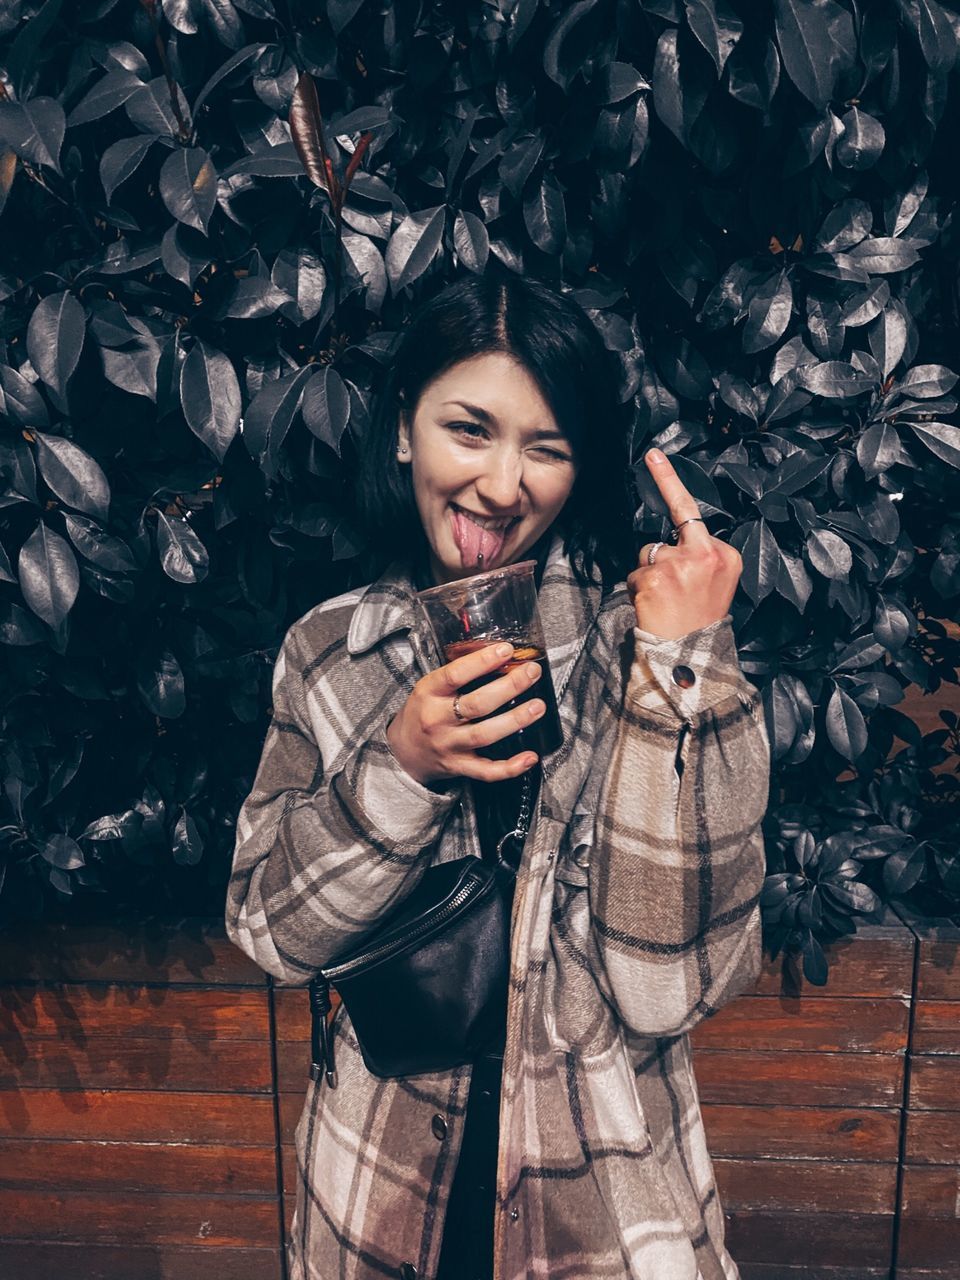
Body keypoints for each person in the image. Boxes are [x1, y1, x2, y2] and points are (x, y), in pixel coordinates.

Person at [225, 273, 770, 1280]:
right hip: (375, 1200)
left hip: (609, 1216)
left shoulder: (640, 653)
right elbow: (270, 931)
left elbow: (666, 987)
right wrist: (401, 766)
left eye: (547, 447)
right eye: (468, 428)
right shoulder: (331, 654)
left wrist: (679, 667)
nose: (504, 482)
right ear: (405, 433)